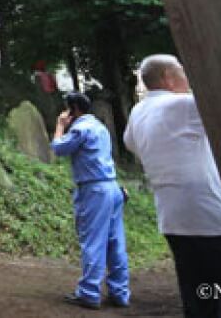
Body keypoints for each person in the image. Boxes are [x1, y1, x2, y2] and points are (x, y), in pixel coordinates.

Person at [123, 55, 221, 317]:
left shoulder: (138, 112)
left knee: (198, 294)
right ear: (168, 79)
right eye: (183, 72)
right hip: (209, 215)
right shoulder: (183, 105)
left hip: (173, 218)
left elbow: (130, 143)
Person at [51, 91, 130, 310]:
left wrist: (59, 126)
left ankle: (89, 293)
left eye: (68, 109)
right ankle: (120, 293)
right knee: (115, 243)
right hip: (112, 187)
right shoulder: (100, 127)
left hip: (94, 190)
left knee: (93, 241)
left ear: (74, 109)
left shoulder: (81, 128)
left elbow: (58, 148)